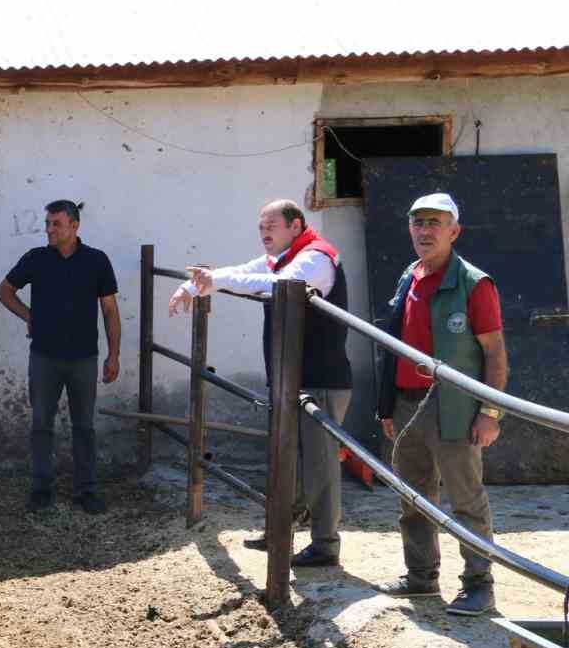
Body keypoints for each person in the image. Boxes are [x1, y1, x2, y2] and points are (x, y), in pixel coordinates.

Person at [167, 199, 351, 567]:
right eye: (260, 227)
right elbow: (244, 272)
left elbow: (277, 285)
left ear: (295, 227)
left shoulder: (315, 258)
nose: (264, 233)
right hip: (291, 375)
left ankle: (326, 544)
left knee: (319, 463)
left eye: (272, 226)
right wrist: (194, 286)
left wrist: (213, 281)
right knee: (286, 456)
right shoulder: (281, 258)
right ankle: (281, 529)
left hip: (321, 378)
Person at [374, 193, 507, 616]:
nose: (425, 230)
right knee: (412, 496)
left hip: (454, 407)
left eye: (435, 222)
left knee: (466, 498)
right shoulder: (408, 276)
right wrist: (387, 407)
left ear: (454, 230)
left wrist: (490, 413)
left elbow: (495, 353)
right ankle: (421, 576)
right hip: (407, 404)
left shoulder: (474, 283)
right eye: (417, 222)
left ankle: (479, 585)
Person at [0, 199, 121, 515]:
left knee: (84, 427)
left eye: (56, 224)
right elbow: (4, 291)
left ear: (74, 227)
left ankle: (86, 491)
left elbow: (109, 310)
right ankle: (41, 489)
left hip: (83, 358)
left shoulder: (96, 261)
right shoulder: (36, 259)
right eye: (48, 224)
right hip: (44, 357)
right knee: (40, 425)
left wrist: (113, 355)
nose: (49, 230)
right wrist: (29, 316)